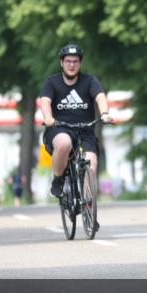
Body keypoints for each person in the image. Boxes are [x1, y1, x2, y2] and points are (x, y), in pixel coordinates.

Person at [38, 44, 113, 222]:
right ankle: (58, 179)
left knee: (91, 163)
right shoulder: (52, 82)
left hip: (85, 130)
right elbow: (45, 101)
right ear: (62, 63)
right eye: (68, 61)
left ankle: (88, 210)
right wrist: (48, 117)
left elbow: (100, 96)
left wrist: (104, 113)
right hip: (59, 129)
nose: (72, 65)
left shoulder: (89, 81)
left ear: (80, 63)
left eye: (76, 61)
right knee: (64, 143)